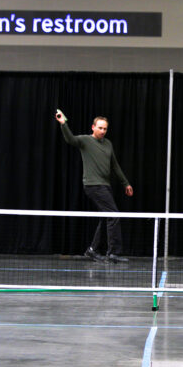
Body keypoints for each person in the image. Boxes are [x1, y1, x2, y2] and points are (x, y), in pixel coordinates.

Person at [56, 110, 133, 263]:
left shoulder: (108, 144)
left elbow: (115, 165)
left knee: (106, 217)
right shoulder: (85, 140)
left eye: (105, 128)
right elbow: (70, 139)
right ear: (93, 127)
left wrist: (126, 183)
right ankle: (113, 253)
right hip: (94, 185)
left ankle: (92, 250)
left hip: (105, 185)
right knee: (114, 215)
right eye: (100, 128)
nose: (102, 131)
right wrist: (63, 124)